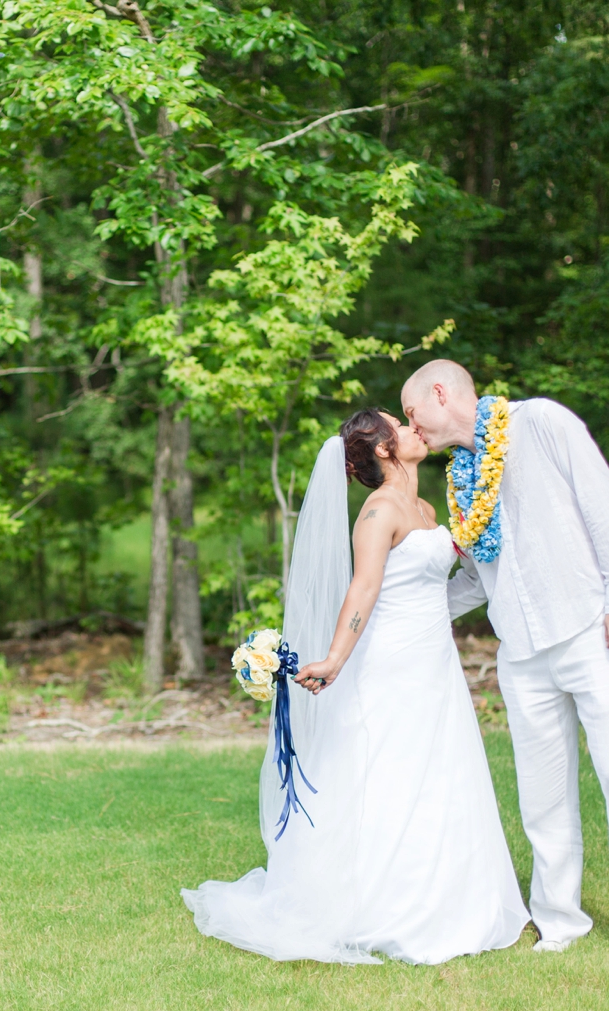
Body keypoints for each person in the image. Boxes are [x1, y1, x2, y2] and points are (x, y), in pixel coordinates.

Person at [180, 411, 529, 964]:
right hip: (389, 664)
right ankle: (377, 906)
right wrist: (337, 658)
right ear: (387, 450)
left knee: (440, 771)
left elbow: (435, 590)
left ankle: (449, 900)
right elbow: (362, 590)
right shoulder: (377, 512)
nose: (417, 428)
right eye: (403, 426)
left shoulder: (426, 509)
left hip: (433, 663)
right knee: (390, 772)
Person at [400, 358, 609, 967]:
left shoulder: (540, 423)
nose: (411, 426)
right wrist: (407, 608)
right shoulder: (458, 481)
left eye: (410, 413)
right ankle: (560, 921)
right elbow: (479, 581)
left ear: (438, 393)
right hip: (523, 656)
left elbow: (603, 505)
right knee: (541, 796)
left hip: (592, 631)